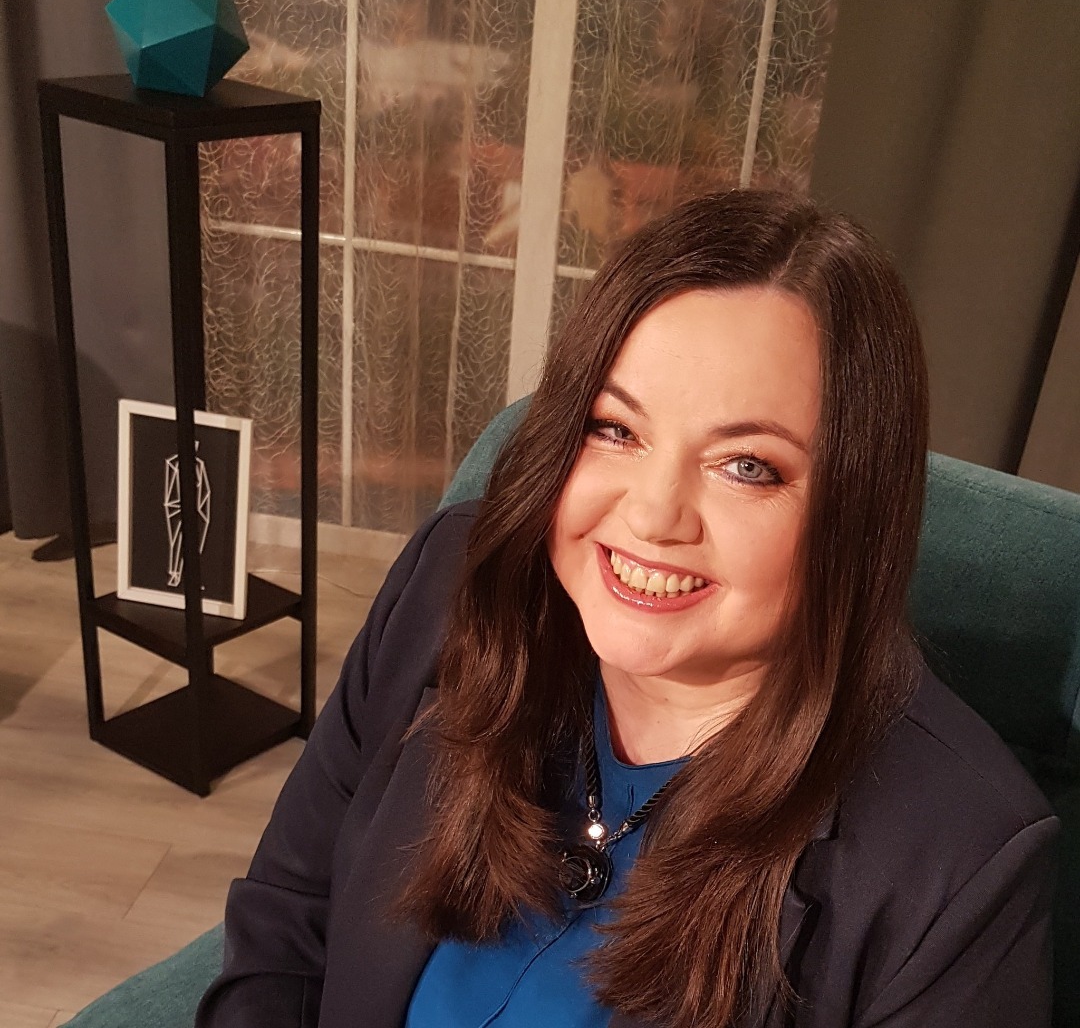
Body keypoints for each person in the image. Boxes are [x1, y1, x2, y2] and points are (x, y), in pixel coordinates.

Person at [197, 190, 1058, 1028]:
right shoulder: (450, 587)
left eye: (746, 466)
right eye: (616, 428)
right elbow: (288, 917)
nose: (652, 516)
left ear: (854, 513)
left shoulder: (961, 863)